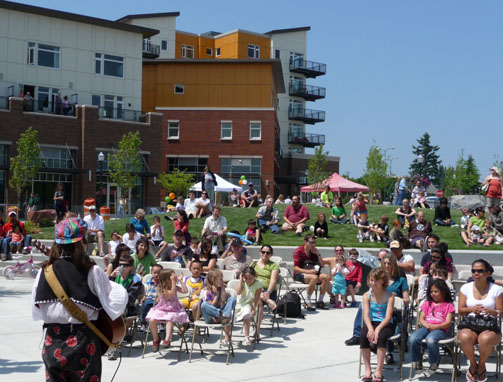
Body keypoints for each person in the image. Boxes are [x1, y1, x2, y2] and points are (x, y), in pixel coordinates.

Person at [32, 218, 128, 381]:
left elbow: (37, 310)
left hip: (52, 340)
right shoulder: (92, 271)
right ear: (82, 243)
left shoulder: (44, 272)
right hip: (82, 342)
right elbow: (115, 300)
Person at [458, 259, 503, 382]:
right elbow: (461, 310)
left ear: (488, 273)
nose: (476, 273)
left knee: (485, 339)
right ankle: (473, 364)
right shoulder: (465, 288)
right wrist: (472, 309)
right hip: (470, 323)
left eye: (480, 271)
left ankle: (482, 364)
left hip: (489, 326)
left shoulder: (497, 289)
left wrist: (492, 312)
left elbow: (501, 313)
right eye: (473, 271)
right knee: (464, 335)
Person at [409, 279, 455, 376]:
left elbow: (448, 322)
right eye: (431, 291)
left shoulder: (448, 305)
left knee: (430, 339)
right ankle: (417, 361)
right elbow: (421, 318)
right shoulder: (427, 304)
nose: (433, 294)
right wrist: (426, 325)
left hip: (440, 329)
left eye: (436, 291)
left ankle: (434, 361)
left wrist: (436, 326)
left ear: (443, 292)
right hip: (426, 327)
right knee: (413, 338)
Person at [360, 268, 395, 382]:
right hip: (372, 322)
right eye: (371, 280)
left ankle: (379, 370)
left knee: (381, 337)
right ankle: (368, 370)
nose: (373, 283)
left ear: (382, 281)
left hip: (385, 324)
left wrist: (378, 329)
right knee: (363, 336)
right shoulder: (366, 295)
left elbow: (388, 316)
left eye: (376, 280)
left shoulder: (389, 296)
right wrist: (370, 329)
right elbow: (365, 315)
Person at [146, 269, 189, 351]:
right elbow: (171, 293)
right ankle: (156, 339)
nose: (174, 277)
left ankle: (167, 339)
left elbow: (185, 291)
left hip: (173, 309)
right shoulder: (160, 287)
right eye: (172, 276)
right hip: (162, 308)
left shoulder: (174, 286)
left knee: (169, 319)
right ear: (166, 279)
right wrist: (173, 281)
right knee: (152, 320)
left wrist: (180, 281)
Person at [292, 234, 331, 310]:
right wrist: (308, 272)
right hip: (300, 274)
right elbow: (296, 268)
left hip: (313, 273)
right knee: (314, 277)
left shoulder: (314, 252)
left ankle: (320, 301)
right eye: (311, 242)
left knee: (326, 277)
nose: (313, 244)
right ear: (305, 242)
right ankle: (307, 300)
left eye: (315, 242)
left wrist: (318, 254)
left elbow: (322, 265)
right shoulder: (299, 251)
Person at [200, 269, 237, 346]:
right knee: (204, 305)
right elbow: (211, 306)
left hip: (222, 317)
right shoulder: (207, 292)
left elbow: (223, 303)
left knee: (232, 299)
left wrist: (223, 289)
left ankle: (224, 318)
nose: (222, 281)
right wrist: (216, 295)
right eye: (221, 279)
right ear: (213, 280)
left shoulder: (221, 289)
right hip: (211, 317)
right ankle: (221, 315)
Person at [250, 245, 279, 335]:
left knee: (259, 302)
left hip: (268, 292)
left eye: (268, 253)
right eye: (263, 252)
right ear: (260, 252)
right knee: (257, 295)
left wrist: (268, 292)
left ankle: (257, 330)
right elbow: (249, 278)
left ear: (271, 254)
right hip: (254, 289)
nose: (265, 254)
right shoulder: (253, 264)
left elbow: (273, 280)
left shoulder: (274, 265)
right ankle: (269, 302)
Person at [235, 266, 263, 346]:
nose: (248, 280)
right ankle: (227, 338)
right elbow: (238, 292)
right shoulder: (243, 283)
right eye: (246, 278)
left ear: (255, 276)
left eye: (251, 278)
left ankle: (246, 337)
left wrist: (254, 308)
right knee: (228, 314)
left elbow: (257, 297)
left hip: (248, 303)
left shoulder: (258, 284)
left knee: (247, 314)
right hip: (239, 302)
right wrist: (241, 279)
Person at [140, 263, 162, 329]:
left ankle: (161, 324)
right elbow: (145, 292)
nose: (156, 274)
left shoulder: (163, 283)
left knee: (162, 307)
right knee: (145, 305)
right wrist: (143, 297)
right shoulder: (148, 283)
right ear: (151, 273)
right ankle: (143, 322)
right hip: (149, 298)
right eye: (154, 273)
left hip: (159, 300)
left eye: (159, 273)